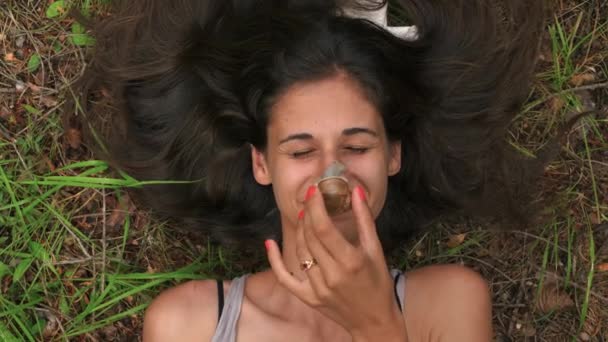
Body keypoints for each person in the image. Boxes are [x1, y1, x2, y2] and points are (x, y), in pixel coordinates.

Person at [72, 0, 546, 340]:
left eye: (357, 145)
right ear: (262, 164)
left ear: (393, 156)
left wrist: (375, 323)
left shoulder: (449, 304)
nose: (332, 174)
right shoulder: (187, 325)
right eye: (301, 152)